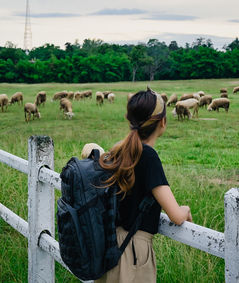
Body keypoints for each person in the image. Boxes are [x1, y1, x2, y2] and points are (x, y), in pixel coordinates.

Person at [96, 87, 193, 283]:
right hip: (133, 251)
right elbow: (175, 214)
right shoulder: (148, 156)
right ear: (162, 122)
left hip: (109, 244)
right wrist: (186, 208)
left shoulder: (117, 150)